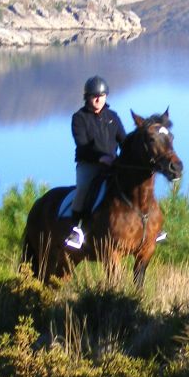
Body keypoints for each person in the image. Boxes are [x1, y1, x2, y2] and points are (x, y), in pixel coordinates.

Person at [66, 75, 125, 250]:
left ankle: (150, 227)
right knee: (83, 189)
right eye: (94, 96)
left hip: (113, 165)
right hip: (89, 164)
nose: (99, 99)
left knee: (135, 185)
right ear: (88, 97)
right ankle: (77, 229)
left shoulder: (112, 116)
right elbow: (82, 145)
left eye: (102, 95)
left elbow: (124, 140)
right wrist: (101, 158)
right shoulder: (79, 118)